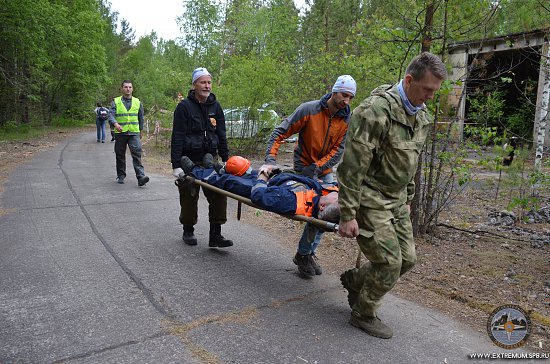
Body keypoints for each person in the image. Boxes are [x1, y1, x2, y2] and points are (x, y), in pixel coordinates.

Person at [337, 52, 447, 339]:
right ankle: (363, 313)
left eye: (435, 91)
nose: (431, 97)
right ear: (409, 80)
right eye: (427, 90)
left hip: (397, 200)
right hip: (369, 196)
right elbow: (351, 168)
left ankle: (354, 281)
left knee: (407, 259)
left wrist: (408, 197)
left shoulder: (421, 116)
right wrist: (348, 214)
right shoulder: (374, 111)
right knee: (389, 263)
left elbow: (411, 162)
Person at [264, 75, 356, 278]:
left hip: (323, 171)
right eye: (343, 95)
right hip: (302, 168)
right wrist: (270, 159)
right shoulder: (309, 109)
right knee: (311, 208)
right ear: (334, 91)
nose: (346, 101)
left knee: (328, 212)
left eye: (350, 97)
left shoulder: (347, 119)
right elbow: (280, 132)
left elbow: (338, 150)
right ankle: (305, 254)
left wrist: (319, 166)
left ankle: (306, 253)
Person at [171, 67, 232, 248]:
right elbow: (178, 136)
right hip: (188, 160)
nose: (207, 86)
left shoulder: (216, 106)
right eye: (203, 82)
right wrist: (176, 164)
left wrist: (226, 158)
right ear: (194, 84)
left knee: (219, 193)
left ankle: (216, 235)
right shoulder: (184, 108)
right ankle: (188, 230)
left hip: (209, 159)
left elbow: (221, 133)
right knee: (189, 195)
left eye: (209, 82)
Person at [177, 158, 340, 223]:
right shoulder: (325, 193)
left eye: (339, 199)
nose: (340, 196)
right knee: (241, 166)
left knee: (229, 181)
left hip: (262, 186)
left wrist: (263, 175)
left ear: (323, 207)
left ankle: (196, 171)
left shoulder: (291, 201)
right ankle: (217, 167)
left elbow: (259, 196)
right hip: (275, 180)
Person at [108, 80, 149, 186]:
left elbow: (141, 117)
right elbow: (111, 115)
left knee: (136, 153)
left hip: (134, 132)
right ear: (122, 89)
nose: (128, 89)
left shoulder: (137, 102)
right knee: (120, 154)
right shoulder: (116, 101)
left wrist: (141, 130)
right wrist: (116, 124)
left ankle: (141, 177)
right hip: (120, 133)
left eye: (130, 87)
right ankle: (121, 175)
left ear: (132, 89)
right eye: (125, 87)